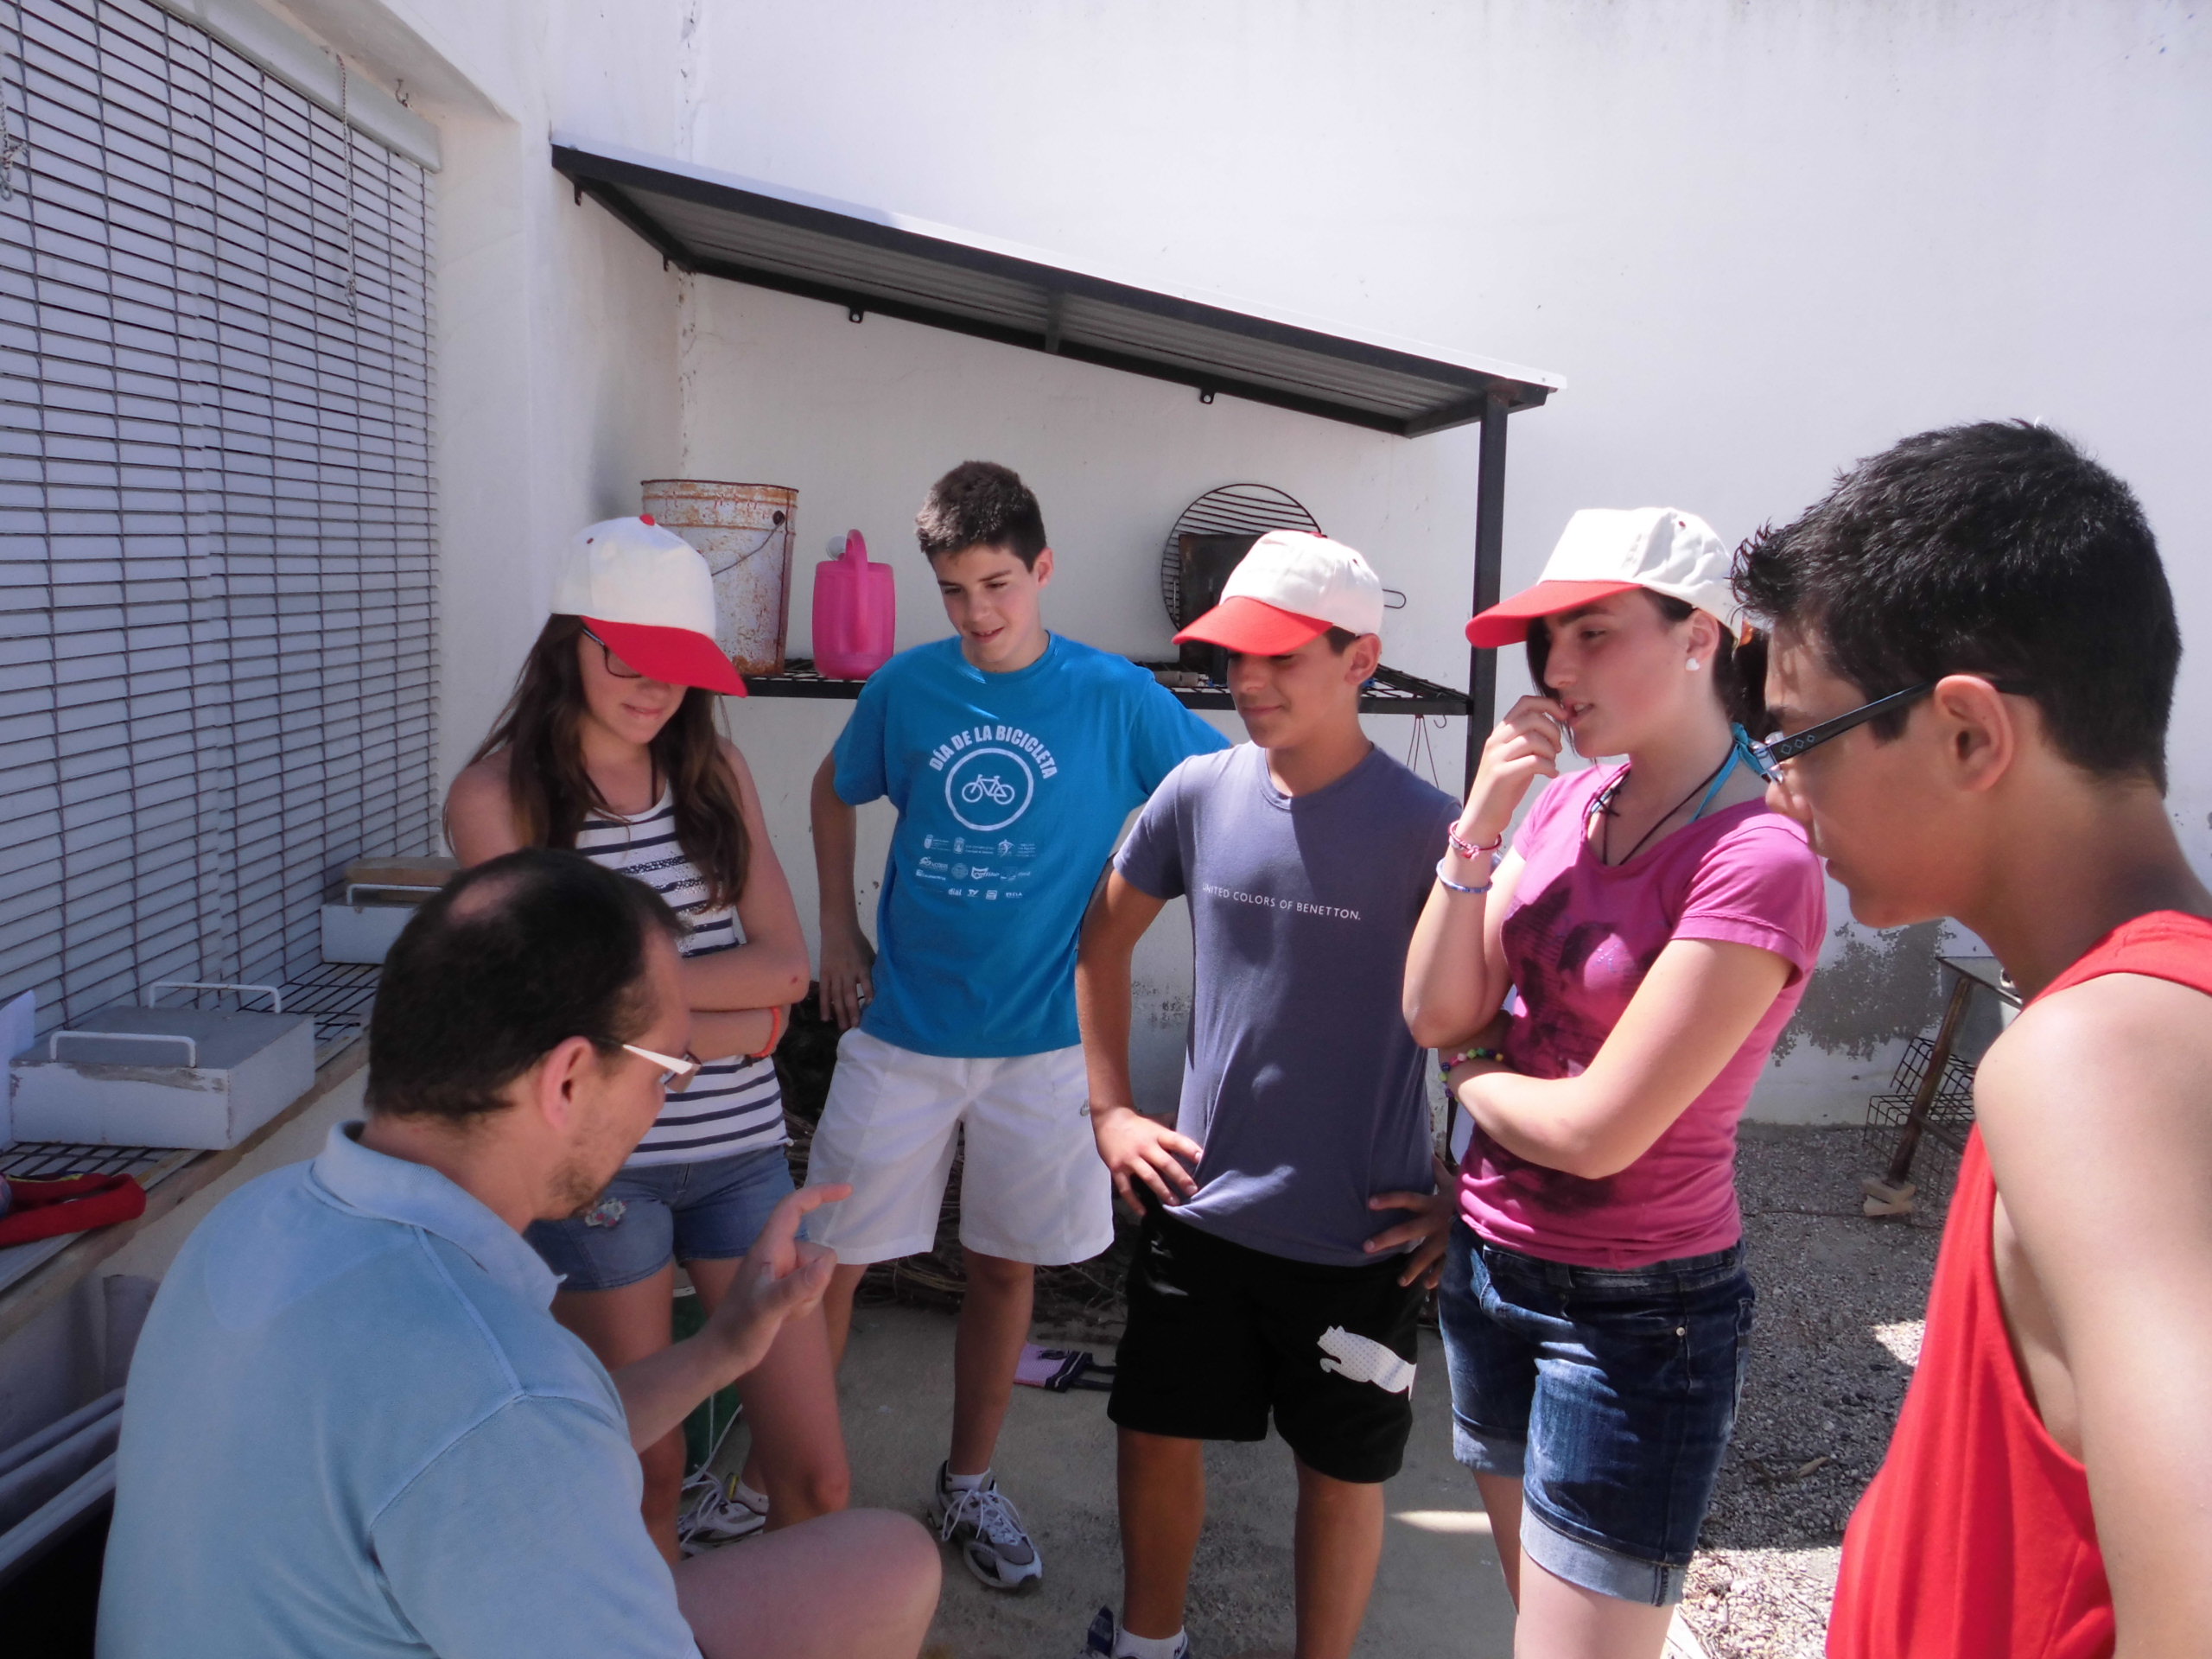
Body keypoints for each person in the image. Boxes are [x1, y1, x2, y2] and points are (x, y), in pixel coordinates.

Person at [99, 849, 941, 1659]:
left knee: (878, 1565)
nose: (664, 1099)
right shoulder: (496, 1391)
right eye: (665, 1070)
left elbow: (492, 1441)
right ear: (567, 1080)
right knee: (885, 1568)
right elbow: (502, 1430)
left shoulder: (253, 1219)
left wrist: (723, 1348)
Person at [1732, 422, 2212, 1659]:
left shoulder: (2101, 1057)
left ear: (1968, 735)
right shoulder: (2135, 1025)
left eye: (1799, 741)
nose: (1782, 791)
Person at [1401, 507, 1827, 1657]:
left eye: (1594, 633)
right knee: (1532, 1617)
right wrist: (1479, 825)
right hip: (1490, 1266)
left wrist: (1469, 1072)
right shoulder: (1568, 802)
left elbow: (1595, 1133)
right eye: (1548, 642)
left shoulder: (1758, 854)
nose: (1558, 670)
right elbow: (1435, 1007)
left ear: (1698, 636)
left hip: (1634, 1315)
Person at [807, 461, 1228, 1590]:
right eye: (954, 591)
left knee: (1004, 1270)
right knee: (823, 1265)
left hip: (1046, 1048)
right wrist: (837, 932)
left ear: (1042, 569)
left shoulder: (1113, 695)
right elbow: (832, 789)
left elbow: (1223, 799)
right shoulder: (906, 687)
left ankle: (968, 1482)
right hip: (902, 1032)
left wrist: (1137, 920)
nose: (978, 612)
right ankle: (784, 1486)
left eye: (997, 584)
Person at [1072, 531, 1458, 1659]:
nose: (1249, 679)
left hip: (1363, 1233)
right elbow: (1100, 944)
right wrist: (1110, 1111)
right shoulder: (1197, 792)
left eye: (1281, 655)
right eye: (1235, 655)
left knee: (1340, 1473)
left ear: (1360, 660)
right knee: (1153, 1432)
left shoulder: (1433, 831)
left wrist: (1467, 1192)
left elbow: (1500, 1022)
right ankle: (1148, 1645)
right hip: (1201, 1211)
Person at [445, 515, 841, 1559]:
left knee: (816, 1476)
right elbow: (550, 1013)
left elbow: (786, 969)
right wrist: (730, 1025)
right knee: (645, 1473)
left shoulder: (715, 771)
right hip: (599, 1172)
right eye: (625, 654)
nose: (653, 686)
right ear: (566, 642)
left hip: (742, 1156)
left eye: (678, 662)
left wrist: (649, 1015)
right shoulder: (497, 799)